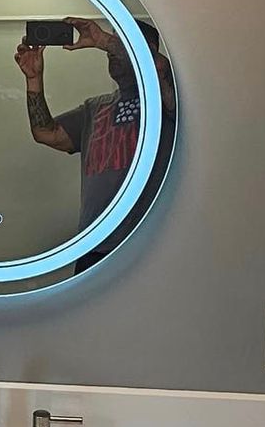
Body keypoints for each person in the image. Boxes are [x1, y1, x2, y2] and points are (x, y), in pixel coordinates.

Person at [15, 16, 172, 251]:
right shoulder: (95, 108)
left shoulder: (165, 102)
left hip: (149, 248)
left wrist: (103, 40)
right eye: (113, 41)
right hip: (93, 246)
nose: (109, 50)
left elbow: (155, 65)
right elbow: (46, 133)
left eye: (121, 42)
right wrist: (34, 79)